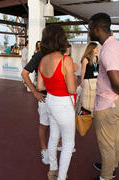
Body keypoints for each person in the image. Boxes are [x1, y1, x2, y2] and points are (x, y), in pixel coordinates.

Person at [88, 13, 119, 180]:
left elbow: (116, 80)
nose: (88, 32)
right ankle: (112, 166)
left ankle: (106, 176)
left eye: (90, 28)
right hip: (118, 102)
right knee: (115, 137)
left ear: (98, 29)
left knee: (106, 143)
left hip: (109, 103)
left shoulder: (107, 50)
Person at [37, 24, 76, 180]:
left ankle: (53, 169)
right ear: (61, 39)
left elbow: (40, 86)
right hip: (63, 103)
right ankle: (61, 177)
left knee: (53, 136)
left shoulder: (43, 60)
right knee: (68, 143)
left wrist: (53, 84)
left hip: (50, 101)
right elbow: (72, 89)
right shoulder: (66, 60)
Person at [21, 46, 50, 164]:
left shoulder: (61, 54)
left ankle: (56, 146)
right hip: (44, 97)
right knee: (44, 125)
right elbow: (24, 73)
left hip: (59, 98)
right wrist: (34, 92)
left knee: (57, 125)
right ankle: (44, 150)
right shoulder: (40, 55)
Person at [80, 42, 99, 114]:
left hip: (95, 81)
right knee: (87, 99)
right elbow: (83, 71)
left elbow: (98, 69)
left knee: (94, 98)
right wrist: (82, 81)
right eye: (96, 48)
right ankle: (87, 113)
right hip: (88, 81)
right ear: (92, 49)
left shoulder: (96, 58)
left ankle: (93, 113)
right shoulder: (85, 59)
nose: (97, 49)